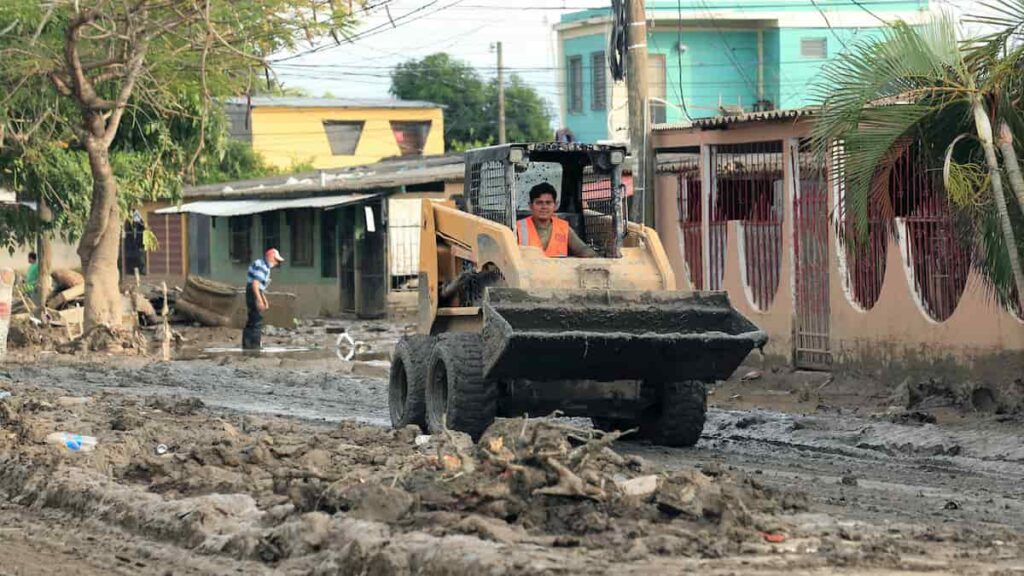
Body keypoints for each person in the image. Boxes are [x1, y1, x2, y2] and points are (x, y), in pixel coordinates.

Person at [516, 183, 597, 258]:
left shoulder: (563, 228)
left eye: (548, 203)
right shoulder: (518, 228)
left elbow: (582, 249)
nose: (544, 207)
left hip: (559, 272)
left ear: (555, 205)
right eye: (539, 203)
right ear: (530, 205)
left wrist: (595, 258)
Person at [243, 247, 285, 351]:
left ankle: (247, 345)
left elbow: (259, 287)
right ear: (270, 258)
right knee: (257, 320)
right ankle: (255, 346)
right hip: (253, 292)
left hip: (253, 291)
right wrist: (259, 299)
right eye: (276, 260)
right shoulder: (263, 267)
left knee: (252, 319)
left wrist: (264, 300)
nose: (277, 264)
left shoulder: (262, 265)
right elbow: (255, 285)